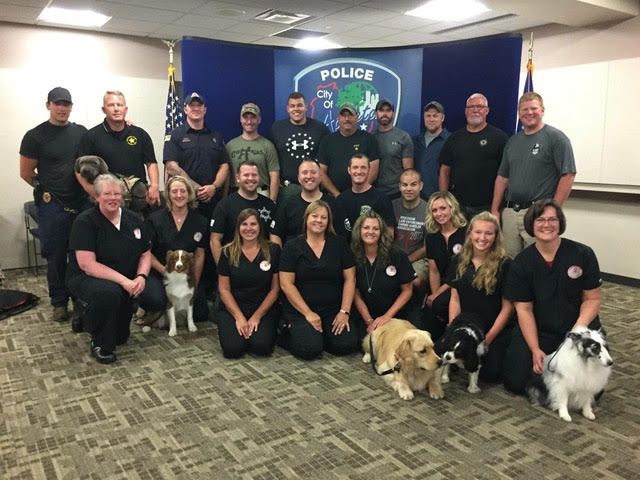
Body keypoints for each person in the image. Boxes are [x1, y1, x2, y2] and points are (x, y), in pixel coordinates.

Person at [502, 199, 603, 394]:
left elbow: (593, 299)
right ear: (531, 224)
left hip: (577, 326)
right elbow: (524, 309)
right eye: (540, 220)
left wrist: (576, 333)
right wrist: (534, 349)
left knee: (591, 391)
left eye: (552, 220)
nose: (546, 225)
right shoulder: (522, 263)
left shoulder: (583, 254)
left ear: (560, 223)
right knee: (514, 382)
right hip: (540, 330)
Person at [19, 86, 88, 322]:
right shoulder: (35, 135)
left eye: (66, 104)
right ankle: (59, 301)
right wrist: (47, 190)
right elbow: (26, 173)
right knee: (56, 256)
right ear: (48, 105)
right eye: (57, 103)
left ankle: (80, 298)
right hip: (53, 206)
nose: (62, 108)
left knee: (82, 254)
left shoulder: (81, 132)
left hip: (81, 203)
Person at [66, 174, 151, 364]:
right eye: (107, 194)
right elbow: (87, 264)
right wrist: (124, 281)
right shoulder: (85, 222)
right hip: (87, 277)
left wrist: (141, 276)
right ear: (96, 197)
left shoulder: (133, 219)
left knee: (121, 337)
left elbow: (146, 253)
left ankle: (87, 316)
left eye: (116, 194)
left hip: (125, 280)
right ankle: (100, 343)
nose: (113, 198)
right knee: (108, 294)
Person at [491, 92, 577, 258]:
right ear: (518, 113)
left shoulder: (556, 138)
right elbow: (502, 178)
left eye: (534, 108)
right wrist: (495, 209)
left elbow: (568, 175)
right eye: (524, 109)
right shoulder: (513, 141)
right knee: (509, 260)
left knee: (538, 258)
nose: (529, 113)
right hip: (510, 211)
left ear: (542, 110)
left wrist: (553, 210)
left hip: (538, 212)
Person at [279, 200, 358, 360]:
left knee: (346, 345)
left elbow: (350, 279)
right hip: (301, 310)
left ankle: (320, 336)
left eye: (323, 217)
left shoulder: (339, 244)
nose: (319, 220)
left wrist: (344, 312)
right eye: (315, 216)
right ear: (306, 218)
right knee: (310, 349)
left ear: (328, 221)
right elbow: (286, 284)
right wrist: (308, 313)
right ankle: (286, 332)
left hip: (332, 310)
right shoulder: (292, 246)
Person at [447, 212, 514, 382]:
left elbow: (508, 308)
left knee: (488, 374)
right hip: (468, 325)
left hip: (493, 329)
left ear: (496, 236)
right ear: (470, 233)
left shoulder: (506, 265)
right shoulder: (458, 260)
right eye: (478, 232)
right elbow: (454, 299)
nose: (482, 238)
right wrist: (453, 330)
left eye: (488, 233)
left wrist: (488, 339)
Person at [136, 176, 209, 325]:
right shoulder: (155, 219)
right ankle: (150, 309)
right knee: (156, 299)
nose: (179, 195)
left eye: (183, 191)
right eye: (174, 191)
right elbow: (146, 252)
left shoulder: (200, 221)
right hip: (160, 273)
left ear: (189, 193)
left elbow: (200, 254)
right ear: (168, 194)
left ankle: (170, 310)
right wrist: (165, 271)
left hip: (185, 276)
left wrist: (193, 281)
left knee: (201, 312)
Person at [77, 90, 160, 207]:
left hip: (137, 201)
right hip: (105, 201)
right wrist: (91, 190)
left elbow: (151, 162)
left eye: (120, 105)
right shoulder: (91, 136)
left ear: (125, 109)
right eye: (111, 105)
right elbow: (78, 169)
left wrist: (155, 185)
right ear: (103, 109)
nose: (116, 109)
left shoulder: (140, 134)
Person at [217, 209, 281, 358]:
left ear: (260, 227)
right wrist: (239, 317)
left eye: (253, 224)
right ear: (238, 228)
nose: (249, 228)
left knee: (262, 347)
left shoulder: (273, 250)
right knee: (233, 350)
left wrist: (257, 316)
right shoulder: (227, 252)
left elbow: (275, 289)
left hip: (263, 308)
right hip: (233, 308)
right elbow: (224, 289)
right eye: (244, 224)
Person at [439, 93, 508, 219]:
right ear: (466, 111)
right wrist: (444, 201)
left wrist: (495, 208)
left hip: (487, 207)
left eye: (480, 106)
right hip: (457, 207)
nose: (475, 110)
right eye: (471, 107)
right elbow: (444, 171)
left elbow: (505, 175)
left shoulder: (500, 138)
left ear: (487, 111)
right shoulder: (454, 138)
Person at [352, 211, 422, 332]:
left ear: (381, 232)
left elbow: (407, 290)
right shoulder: (352, 256)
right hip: (368, 313)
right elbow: (355, 293)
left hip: (399, 311)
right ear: (359, 230)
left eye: (375, 229)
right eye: (366, 228)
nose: (370, 232)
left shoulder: (397, 255)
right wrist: (368, 320)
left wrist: (387, 317)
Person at [163, 92, 230, 221]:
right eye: (191, 105)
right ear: (185, 109)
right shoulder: (175, 135)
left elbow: (225, 166)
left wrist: (214, 187)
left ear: (205, 110)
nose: (196, 108)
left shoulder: (216, 136)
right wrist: (196, 188)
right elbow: (171, 167)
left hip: (213, 201)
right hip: (185, 200)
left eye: (199, 105)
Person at [210, 161, 276, 264]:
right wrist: (222, 269)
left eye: (254, 175)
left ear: (259, 177)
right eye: (246, 175)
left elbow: (274, 238)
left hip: (263, 266)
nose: (250, 178)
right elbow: (215, 240)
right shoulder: (224, 205)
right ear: (238, 178)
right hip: (233, 265)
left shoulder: (269, 205)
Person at [422, 191, 467, 341]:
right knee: (430, 310)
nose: (439, 213)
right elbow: (434, 271)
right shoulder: (432, 238)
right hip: (441, 285)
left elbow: (462, 269)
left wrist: (438, 295)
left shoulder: (466, 232)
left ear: (452, 208)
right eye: (434, 210)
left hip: (462, 284)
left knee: (440, 303)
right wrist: (435, 295)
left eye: (443, 208)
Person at [269, 92, 330, 201]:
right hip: (287, 189)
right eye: (292, 106)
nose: (296, 109)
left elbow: (327, 159)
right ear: (287, 109)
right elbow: (271, 161)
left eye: (300, 105)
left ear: (306, 107)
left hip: (314, 187)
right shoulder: (277, 129)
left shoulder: (320, 129)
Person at [270, 159, 343, 246]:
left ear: (320, 177)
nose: (309, 176)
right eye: (305, 172)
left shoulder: (333, 204)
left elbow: (342, 236)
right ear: (298, 178)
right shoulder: (288, 204)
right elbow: (275, 234)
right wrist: (283, 257)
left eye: (313, 172)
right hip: (294, 258)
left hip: (327, 257)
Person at [318, 103, 381, 196]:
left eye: (350, 115)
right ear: (338, 118)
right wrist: (336, 194)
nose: (347, 119)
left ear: (357, 117)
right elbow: (321, 173)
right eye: (343, 116)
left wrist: (360, 192)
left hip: (363, 196)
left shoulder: (369, 139)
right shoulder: (327, 141)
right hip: (335, 197)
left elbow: (374, 171)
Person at [226, 103, 280, 202]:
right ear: (240, 119)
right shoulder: (230, 146)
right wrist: (225, 199)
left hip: (261, 193)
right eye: (245, 117)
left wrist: (272, 203)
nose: (249, 121)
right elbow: (227, 175)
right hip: (236, 194)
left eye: (253, 117)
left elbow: (274, 177)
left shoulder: (268, 146)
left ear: (259, 119)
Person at [334, 154, 396, 240]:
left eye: (363, 167)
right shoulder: (341, 200)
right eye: (355, 167)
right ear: (349, 170)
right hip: (346, 251)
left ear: (369, 170)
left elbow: (389, 234)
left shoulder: (381, 199)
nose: (359, 171)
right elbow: (338, 233)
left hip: (373, 251)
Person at [393, 169, 428, 285]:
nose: (409, 189)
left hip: (417, 259)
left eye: (413, 184)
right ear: (399, 186)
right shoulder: (391, 206)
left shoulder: (429, 210)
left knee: (413, 282)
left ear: (421, 186)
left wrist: (406, 261)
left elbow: (428, 246)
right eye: (405, 185)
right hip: (392, 257)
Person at [373, 99, 414, 199]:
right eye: (381, 110)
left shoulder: (403, 137)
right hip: (374, 191)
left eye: (388, 110)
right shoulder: (370, 138)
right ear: (376, 114)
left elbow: (408, 171)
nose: (385, 114)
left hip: (396, 193)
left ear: (393, 114)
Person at [413, 101, 450, 199]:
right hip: (417, 198)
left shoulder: (451, 140)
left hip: (439, 199)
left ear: (442, 118)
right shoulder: (415, 141)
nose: (431, 119)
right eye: (428, 116)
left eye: (435, 116)